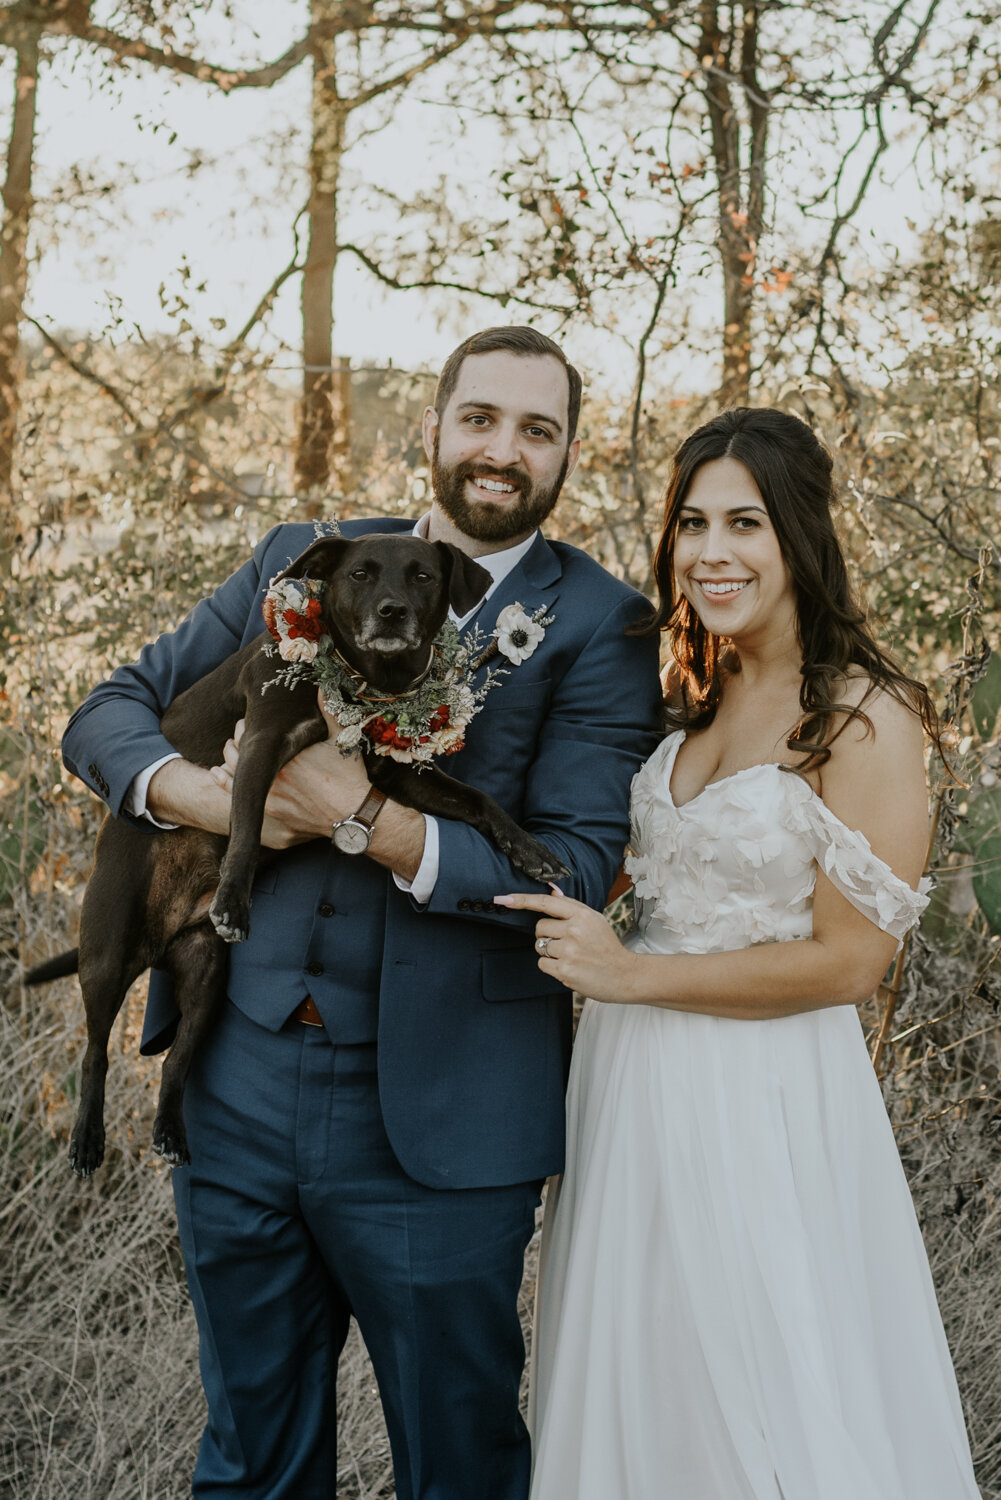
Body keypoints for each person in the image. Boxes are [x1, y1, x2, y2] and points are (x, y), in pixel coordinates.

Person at [60, 326, 664, 1500]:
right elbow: (110, 711)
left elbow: (580, 868)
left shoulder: (600, 623)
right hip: (231, 1091)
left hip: (441, 1129)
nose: (501, 452)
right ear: (432, 428)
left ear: (568, 456)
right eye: (479, 418)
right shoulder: (303, 556)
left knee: (457, 1468)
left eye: (535, 431)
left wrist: (364, 820)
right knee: (248, 1464)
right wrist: (206, 797)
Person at [497, 407, 983, 1500]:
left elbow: (849, 962)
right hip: (623, 1093)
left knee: (766, 1386)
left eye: (744, 524)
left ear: (798, 535)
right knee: (640, 1378)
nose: (709, 551)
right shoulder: (685, 702)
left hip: (758, 1098)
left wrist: (630, 975)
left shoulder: (864, 716)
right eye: (689, 523)